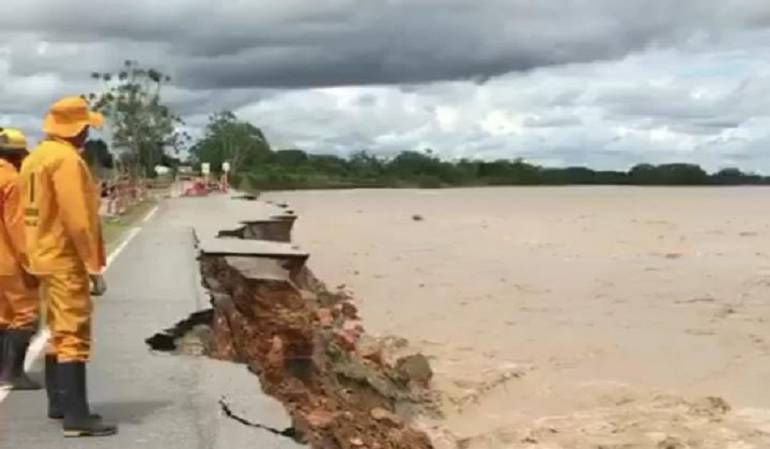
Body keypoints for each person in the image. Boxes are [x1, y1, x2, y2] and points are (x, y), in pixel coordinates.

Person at [20, 96, 116, 437]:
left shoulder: (35, 158)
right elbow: (78, 220)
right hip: (64, 258)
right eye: (86, 126)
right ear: (77, 128)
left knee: (56, 330)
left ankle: (58, 404)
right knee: (73, 332)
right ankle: (77, 415)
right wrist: (93, 265)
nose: (88, 132)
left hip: (41, 255)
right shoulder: (66, 161)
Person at [0, 127, 41, 390]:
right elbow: (17, 226)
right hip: (7, 261)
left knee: (2, 316)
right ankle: (13, 373)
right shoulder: (12, 180)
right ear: (16, 155)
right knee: (26, 315)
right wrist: (31, 263)